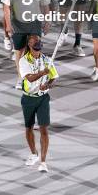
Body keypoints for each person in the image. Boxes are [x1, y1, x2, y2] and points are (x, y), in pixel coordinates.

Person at [2, 0, 47, 87]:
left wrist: (47, 21)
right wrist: (8, 25)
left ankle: (37, 75)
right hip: (18, 23)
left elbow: (45, 5)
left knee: (36, 48)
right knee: (19, 52)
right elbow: (6, 7)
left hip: (34, 21)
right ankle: (20, 77)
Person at [19, 34, 59, 173]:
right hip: (28, 98)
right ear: (29, 45)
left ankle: (43, 161)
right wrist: (42, 73)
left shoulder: (47, 60)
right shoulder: (23, 61)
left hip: (42, 98)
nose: (38, 47)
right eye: (35, 45)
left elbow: (54, 78)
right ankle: (33, 153)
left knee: (44, 129)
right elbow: (29, 78)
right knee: (29, 128)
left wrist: (47, 85)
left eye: (39, 44)